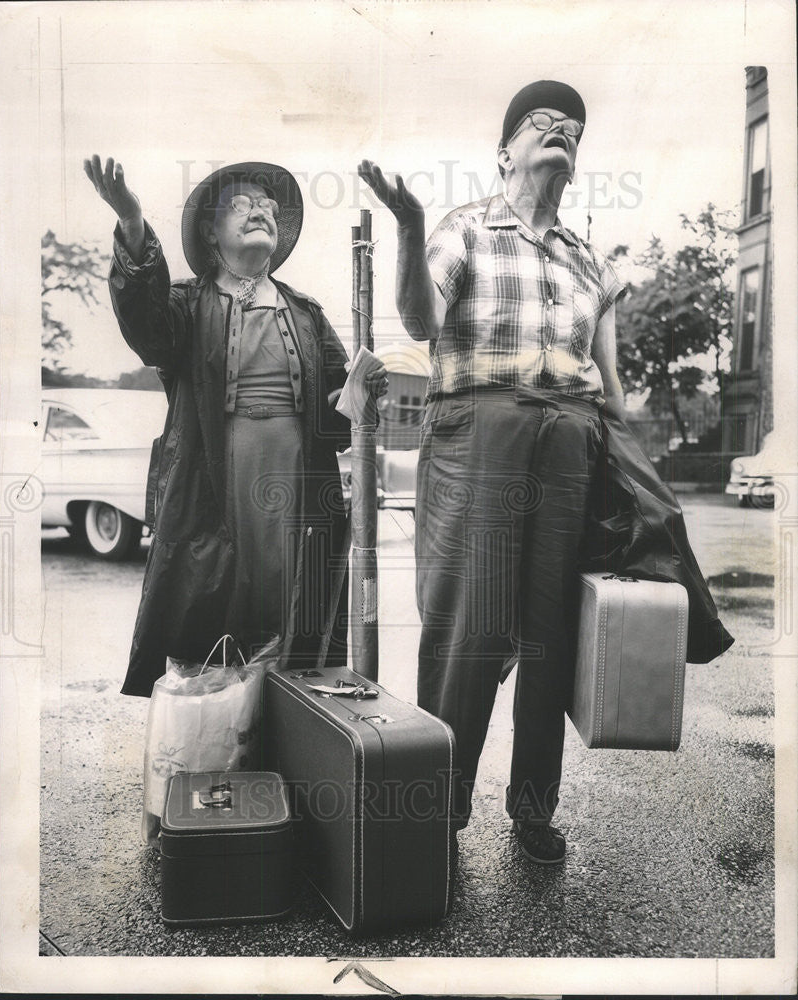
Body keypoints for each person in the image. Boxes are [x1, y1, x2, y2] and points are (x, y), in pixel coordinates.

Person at [359, 81, 626, 864]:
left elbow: (609, 389)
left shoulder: (587, 262)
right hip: (479, 430)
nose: (561, 133)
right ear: (504, 150)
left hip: (569, 441)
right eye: (542, 124)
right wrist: (408, 225)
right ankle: (437, 816)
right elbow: (418, 324)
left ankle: (533, 808)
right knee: (467, 633)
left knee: (549, 633)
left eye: (572, 129)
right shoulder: (463, 230)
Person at [84, 155, 387, 697]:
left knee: (296, 615)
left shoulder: (306, 312)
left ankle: (292, 745)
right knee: (213, 611)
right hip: (212, 486)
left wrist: (362, 390)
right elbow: (143, 323)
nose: (260, 211)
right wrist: (131, 222)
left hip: (296, 488)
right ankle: (219, 746)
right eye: (242, 204)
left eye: (268, 205)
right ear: (210, 230)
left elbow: (337, 415)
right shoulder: (185, 305)